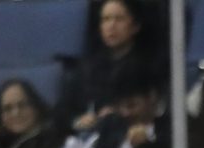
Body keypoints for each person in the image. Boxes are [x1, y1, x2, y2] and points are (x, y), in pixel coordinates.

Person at [71, 0, 167, 133]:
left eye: (119, 19)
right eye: (106, 19)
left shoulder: (149, 66)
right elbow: (65, 111)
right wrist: (79, 121)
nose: (111, 25)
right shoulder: (88, 68)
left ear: (135, 26)